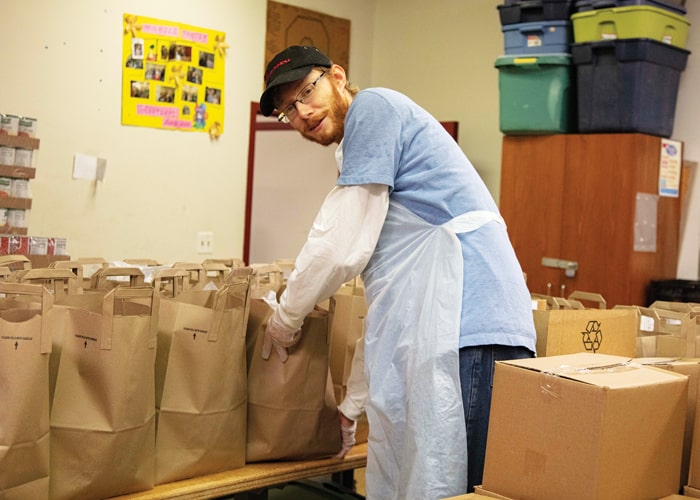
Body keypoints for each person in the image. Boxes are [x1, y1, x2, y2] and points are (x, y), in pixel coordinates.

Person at [259, 45, 536, 499]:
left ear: (338, 76)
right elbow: (390, 302)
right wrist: (351, 408)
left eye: (307, 91)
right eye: (289, 110)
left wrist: (285, 320)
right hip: (451, 329)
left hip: (470, 328)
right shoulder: (367, 159)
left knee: (463, 488)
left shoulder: (375, 109)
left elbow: (337, 247)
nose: (303, 112)